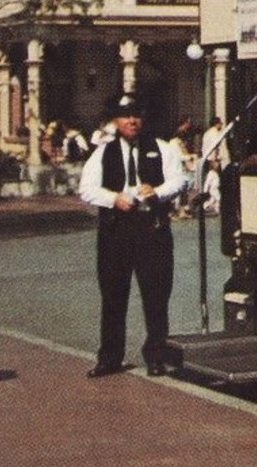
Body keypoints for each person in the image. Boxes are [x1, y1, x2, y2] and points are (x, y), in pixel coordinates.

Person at [77, 93, 188, 378]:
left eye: (136, 115)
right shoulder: (103, 152)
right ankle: (110, 357)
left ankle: (155, 355)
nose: (132, 121)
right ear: (116, 120)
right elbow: (86, 188)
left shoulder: (161, 148)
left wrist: (158, 192)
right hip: (116, 232)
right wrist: (113, 198)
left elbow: (180, 179)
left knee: (156, 295)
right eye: (126, 116)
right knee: (113, 295)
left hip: (152, 229)